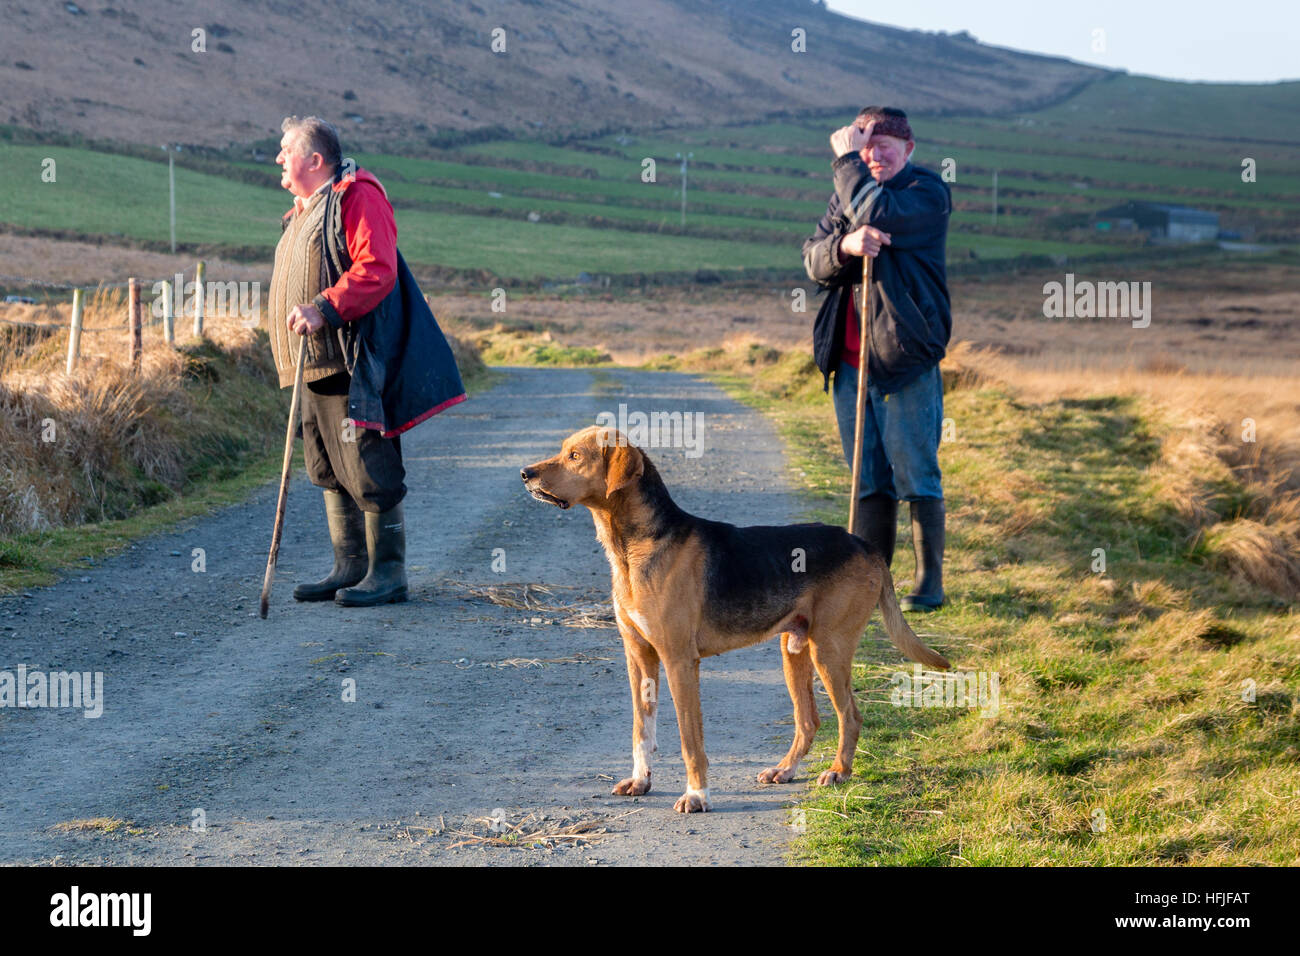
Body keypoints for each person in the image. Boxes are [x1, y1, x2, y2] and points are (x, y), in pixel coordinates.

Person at [269, 115, 466, 607]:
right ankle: (350, 566)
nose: (278, 158)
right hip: (310, 362)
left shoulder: (357, 196)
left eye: (285, 150)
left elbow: (375, 269)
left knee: (367, 464)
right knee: (327, 466)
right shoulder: (306, 210)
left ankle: (389, 574)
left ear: (315, 160)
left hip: (350, 357)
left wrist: (324, 308)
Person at [801, 106, 952, 611]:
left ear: (909, 150)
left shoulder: (926, 194)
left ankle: (929, 584)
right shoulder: (850, 192)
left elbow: (877, 213)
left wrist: (847, 164)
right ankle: (870, 583)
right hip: (848, 363)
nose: (872, 154)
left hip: (903, 359)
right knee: (867, 476)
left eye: (884, 145)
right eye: (864, 145)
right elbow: (813, 260)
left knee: (915, 471)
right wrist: (844, 245)